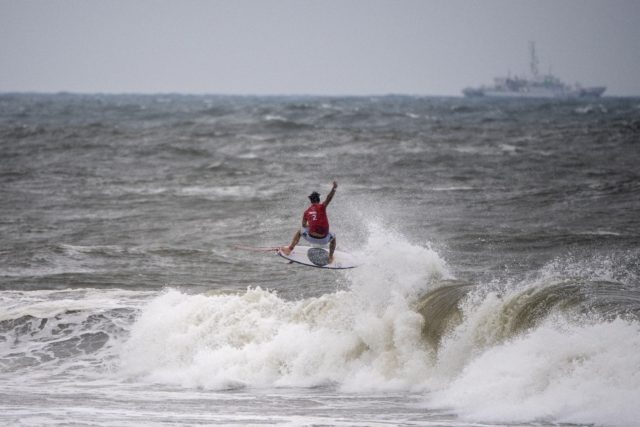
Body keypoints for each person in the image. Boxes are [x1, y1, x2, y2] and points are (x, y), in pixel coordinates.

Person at [281, 181, 338, 263]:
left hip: (310, 238)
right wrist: (334, 188)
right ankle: (330, 257)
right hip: (324, 239)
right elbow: (329, 198)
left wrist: (311, 225)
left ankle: (290, 249)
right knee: (334, 237)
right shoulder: (322, 207)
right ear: (319, 200)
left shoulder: (306, 212)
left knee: (300, 231)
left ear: (311, 201)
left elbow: (304, 225)